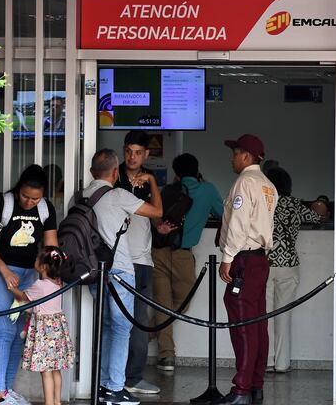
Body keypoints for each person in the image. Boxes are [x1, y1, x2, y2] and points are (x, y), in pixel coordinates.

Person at [84, 148, 162, 405]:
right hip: (119, 271)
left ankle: (103, 384)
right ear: (116, 172)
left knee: (106, 327)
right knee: (120, 329)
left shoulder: (82, 196)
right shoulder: (118, 195)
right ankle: (115, 388)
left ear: (91, 171)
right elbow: (157, 212)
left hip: (95, 272)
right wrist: (151, 180)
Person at [0, 164, 58, 405]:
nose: (29, 202)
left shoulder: (45, 208)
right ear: (18, 188)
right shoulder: (2, 204)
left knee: (18, 334)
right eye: (25, 196)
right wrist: (3, 269)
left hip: (28, 275)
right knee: (4, 330)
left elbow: (51, 247)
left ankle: (6, 390)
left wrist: (51, 274)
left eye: (35, 198)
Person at [216, 134, 278, 405]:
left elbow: (239, 224)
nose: (231, 158)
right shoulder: (268, 185)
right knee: (257, 323)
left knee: (242, 324)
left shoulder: (244, 182)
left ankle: (241, 390)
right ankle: (255, 385)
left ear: (246, 156)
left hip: (243, 259)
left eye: (235, 153)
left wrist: (228, 257)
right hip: (260, 260)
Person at [153, 153, 224, 372]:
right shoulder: (208, 190)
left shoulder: (167, 190)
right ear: (197, 170)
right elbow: (224, 214)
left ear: (176, 173)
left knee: (162, 305)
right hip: (183, 255)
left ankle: (163, 353)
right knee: (182, 302)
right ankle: (161, 348)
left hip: (156, 252)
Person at [113, 131, 161, 395]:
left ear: (146, 154)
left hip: (142, 260)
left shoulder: (148, 181)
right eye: (129, 151)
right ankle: (110, 379)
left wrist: (161, 227)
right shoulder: (113, 176)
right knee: (115, 322)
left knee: (140, 323)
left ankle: (133, 377)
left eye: (138, 152)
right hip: (117, 259)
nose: (132, 157)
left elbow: (156, 215)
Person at [263, 167, 321, 373]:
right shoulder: (295, 204)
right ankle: (282, 363)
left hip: (266, 264)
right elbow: (317, 218)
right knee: (284, 316)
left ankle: (266, 362)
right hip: (289, 263)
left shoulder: (264, 203)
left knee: (265, 316)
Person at [9, 246, 74, 405]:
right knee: (56, 369)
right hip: (57, 329)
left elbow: (24, 297)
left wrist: (12, 288)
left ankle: (49, 403)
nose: (35, 260)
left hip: (45, 331)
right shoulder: (58, 282)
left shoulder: (39, 285)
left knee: (46, 371)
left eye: (37, 258)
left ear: (43, 266)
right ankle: (57, 402)